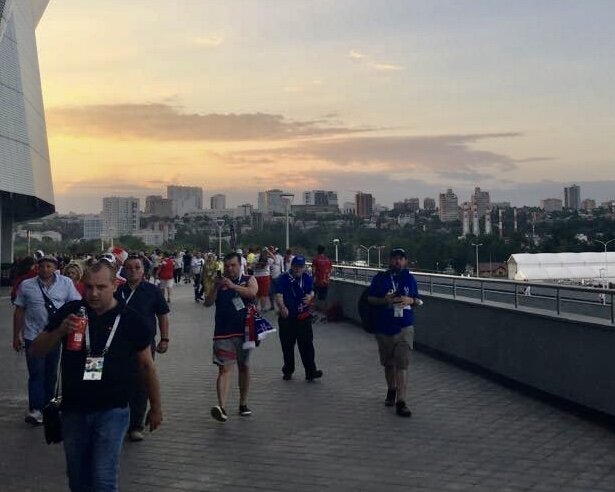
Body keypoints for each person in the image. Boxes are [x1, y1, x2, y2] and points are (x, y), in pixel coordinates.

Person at [30, 261, 162, 491]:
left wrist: (156, 407)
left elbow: (147, 367)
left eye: (101, 287)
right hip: (74, 409)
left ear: (114, 285)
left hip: (112, 409)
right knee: (77, 478)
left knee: (103, 479)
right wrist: (60, 330)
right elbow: (37, 350)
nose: (93, 293)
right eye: (89, 286)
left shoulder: (131, 319)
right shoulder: (72, 312)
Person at [13, 255, 81, 425]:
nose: (45, 269)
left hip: (55, 335)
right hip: (32, 335)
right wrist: (16, 336)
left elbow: (76, 305)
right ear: (37, 267)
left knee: (51, 373)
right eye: (42, 266)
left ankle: (48, 406)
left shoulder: (65, 283)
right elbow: (19, 311)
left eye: (49, 266)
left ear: (55, 268)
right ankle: (35, 409)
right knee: (36, 372)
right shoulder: (27, 285)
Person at [117, 254, 170, 442]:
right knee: (119, 380)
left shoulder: (152, 290)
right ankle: (118, 421)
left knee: (142, 381)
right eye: (129, 267)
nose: (132, 271)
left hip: (144, 344)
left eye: (137, 267)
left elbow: (162, 315)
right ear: (123, 270)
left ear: (143, 270)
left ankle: (136, 424)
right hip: (119, 344)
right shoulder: (116, 290)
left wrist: (165, 339)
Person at [204, 252, 258, 422]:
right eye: (227, 266)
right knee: (224, 369)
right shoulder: (220, 283)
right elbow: (208, 302)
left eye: (233, 265)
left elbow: (252, 293)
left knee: (244, 366)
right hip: (223, 332)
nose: (230, 269)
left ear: (240, 265)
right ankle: (222, 406)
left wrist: (233, 286)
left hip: (244, 331)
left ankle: (243, 403)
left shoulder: (249, 279)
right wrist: (216, 287)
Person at [367, 248, 419, 418]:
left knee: (402, 364)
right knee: (389, 363)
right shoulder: (380, 278)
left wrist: (410, 300)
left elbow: (417, 300)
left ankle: (401, 401)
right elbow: (370, 299)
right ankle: (391, 389)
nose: (398, 262)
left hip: (404, 327)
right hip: (384, 327)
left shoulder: (409, 278)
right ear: (390, 261)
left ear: (405, 261)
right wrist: (385, 300)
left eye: (401, 259)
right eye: (395, 259)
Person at [275, 256, 323, 381]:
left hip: (303, 317)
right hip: (287, 318)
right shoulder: (284, 278)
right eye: (295, 266)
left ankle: (310, 371)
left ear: (304, 267)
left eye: (300, 267)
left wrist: (310, 297)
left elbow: (311, 291)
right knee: (287, 346)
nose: (298, 269)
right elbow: (278, 295)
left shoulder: (307, 278)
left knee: (307, 345)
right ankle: (288, 370)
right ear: (292, 266)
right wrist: (282, 307)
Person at [311, 245, 333, 317]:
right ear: (324, 251)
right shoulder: (328, 260)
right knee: (324, 298)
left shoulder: (315, 259)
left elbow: (313, 271)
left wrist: (312, 279)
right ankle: (324, 315)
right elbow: (330, 271)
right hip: (325, 282)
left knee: (313, 296)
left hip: (317, 281)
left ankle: (312, 313)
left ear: (318, 250)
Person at [253, 248, 274, 312]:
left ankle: (255, 308)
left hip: (256, 276)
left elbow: (252, 265)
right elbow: (273, 258)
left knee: (256, 294)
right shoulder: (268, 259)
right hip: (265, 276)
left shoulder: (256, 257)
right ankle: (263, 308)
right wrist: (268, 251)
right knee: (263, 294)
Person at [269, 247, 284, 312]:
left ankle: (280, 307)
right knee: (271, 293)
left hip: (278, 276)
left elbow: (282, 266)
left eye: (275, 250)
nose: (275, 251)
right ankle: (272, 306)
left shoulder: (280, 257)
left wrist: (282, 274)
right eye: (272, 250)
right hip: (270, 276)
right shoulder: (269, 257)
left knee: (278, 293)